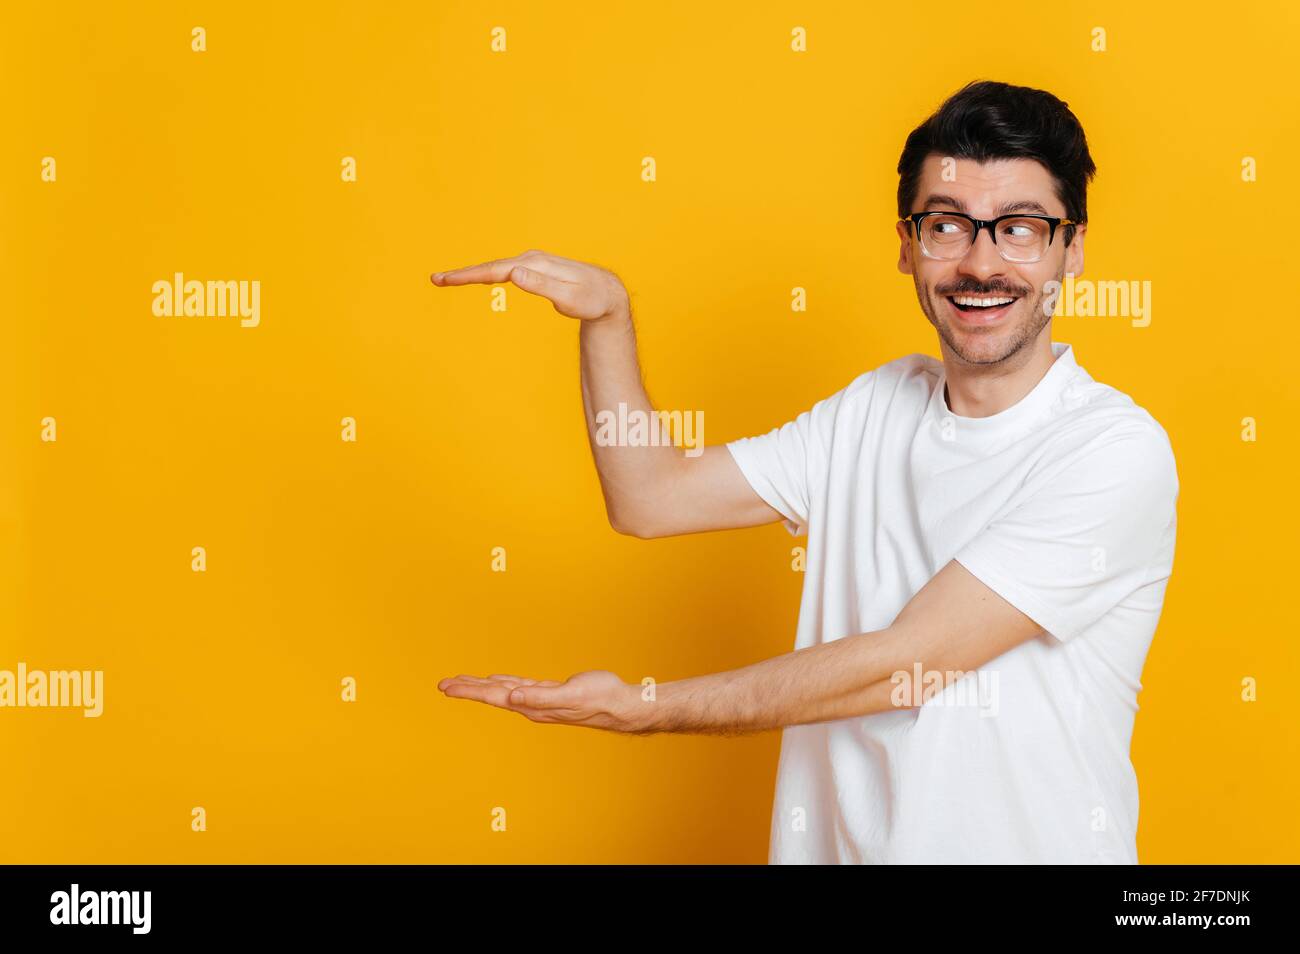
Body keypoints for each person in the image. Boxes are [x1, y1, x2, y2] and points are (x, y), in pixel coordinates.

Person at [432, 80, 1179, 864]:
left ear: (1074, 248)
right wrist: (607, 320)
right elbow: (650, 498)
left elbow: (905, 667)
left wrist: (649, 708)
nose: (981, 262)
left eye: (1020, 228)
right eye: (947, 225)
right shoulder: (876, 408)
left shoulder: (1111, 450)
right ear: (906, 243)